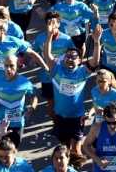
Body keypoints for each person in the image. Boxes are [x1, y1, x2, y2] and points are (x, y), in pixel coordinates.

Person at [43, 30, 102, 164]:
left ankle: (75, 167)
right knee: (65, 149)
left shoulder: (82, 72)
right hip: (60, 117)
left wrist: (97, 41)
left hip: (77, 118)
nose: (70, 59)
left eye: (74, 57)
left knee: (76, 150)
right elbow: (47, 55)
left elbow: (95, 61)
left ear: (79, 61)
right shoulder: (56, 70)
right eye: (68, 56)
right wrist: (49, 36)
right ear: (63, 59)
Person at [82, 102, 116, 172]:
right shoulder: (97, 127)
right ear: (104, 118)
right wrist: (97, 159)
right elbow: (86, 146)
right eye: (108, 123)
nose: (112, 126)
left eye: (115, 122)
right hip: (100, 168)